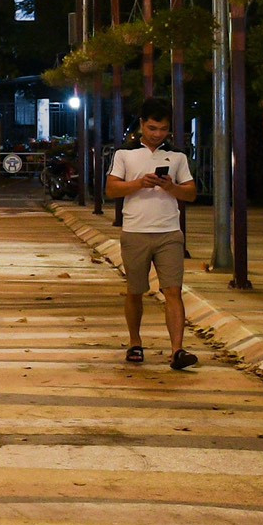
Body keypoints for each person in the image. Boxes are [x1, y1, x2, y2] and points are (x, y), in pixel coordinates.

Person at [106, 98, 199, 370]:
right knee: (135, 291)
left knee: (173, 291)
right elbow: (112, 190)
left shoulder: (177, 156)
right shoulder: (125, 153)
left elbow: (191, 193)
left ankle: (177, 350)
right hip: (135, 231)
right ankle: (135, 343)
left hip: (169, 231)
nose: (158, 134)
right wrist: (138, 183)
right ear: (141, 124)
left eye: (163, 129)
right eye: (152, 127)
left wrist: (171, 188)